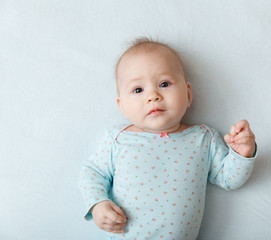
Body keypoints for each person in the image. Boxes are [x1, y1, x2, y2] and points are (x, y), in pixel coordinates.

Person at [79, 37, 257, 240]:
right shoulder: (117, 139)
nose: (153, 95)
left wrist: (242, 154)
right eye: (138, 90)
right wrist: (97, 204)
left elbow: (229, 179)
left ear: (188, 94)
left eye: (164, 84)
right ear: (122, 106)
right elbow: (92, 173)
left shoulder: (202, 138)